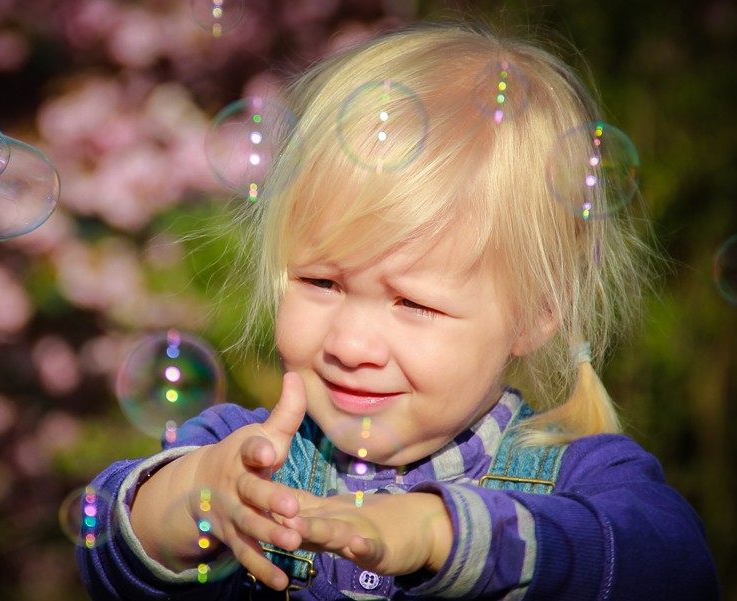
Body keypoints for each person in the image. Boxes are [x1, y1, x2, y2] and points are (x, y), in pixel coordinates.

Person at [76, 21, 720, 600]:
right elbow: (106, 530)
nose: (351, 343)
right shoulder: (248, 455)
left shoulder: (580, 479)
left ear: (534, 314)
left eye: (412, 302)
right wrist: (201, 494)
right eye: (322, 283)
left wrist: (449, 534)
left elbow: (676, 567)